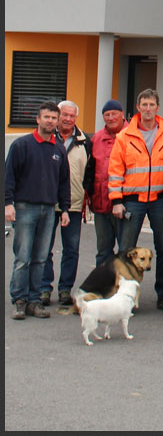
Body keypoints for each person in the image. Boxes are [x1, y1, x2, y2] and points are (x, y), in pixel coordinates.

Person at [108, 88, 163, 312]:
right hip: (132, 200)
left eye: (152, 105)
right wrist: (116, 200)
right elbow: (115, 170)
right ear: (137, 108)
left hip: (160, 200)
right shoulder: (124, 136)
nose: (148, 109)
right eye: (144, 105)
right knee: (127, 250)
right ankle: (125, 296)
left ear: (158, 107)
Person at [6, 101, 71, 320]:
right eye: (47, 117)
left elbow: (64, 182)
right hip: (25, 208)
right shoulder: (21, 145)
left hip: (49, 210)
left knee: (41, 258)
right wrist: (8, 204)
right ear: (38, 119)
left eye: (54, 118)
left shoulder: (58, 149)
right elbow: (9, 177)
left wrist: (64, 209)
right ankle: (19, 301)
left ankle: (35, 301)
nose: (50, 121)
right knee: (23, 257)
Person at [41, 100, 93, 307]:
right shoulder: (46, 138)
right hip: (47, 203)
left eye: (72, 116)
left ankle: (65, 290)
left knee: (71, 249)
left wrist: (85, 194)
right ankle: (44, 288)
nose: (68, 119)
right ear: (57, 115)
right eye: (65, 115)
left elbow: (90, 171)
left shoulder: (84, 141)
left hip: (73, 204)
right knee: (45, 249)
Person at [90, 100, 128, 266]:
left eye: (114, 113)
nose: (111, 117)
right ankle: (102, 287)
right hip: (101, 203)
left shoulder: (133, 135)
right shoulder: (96, 138)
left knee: (125, 251)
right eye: (107, 115)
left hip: (125, 203)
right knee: (103, 250)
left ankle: (123, 288)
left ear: (122, 114)